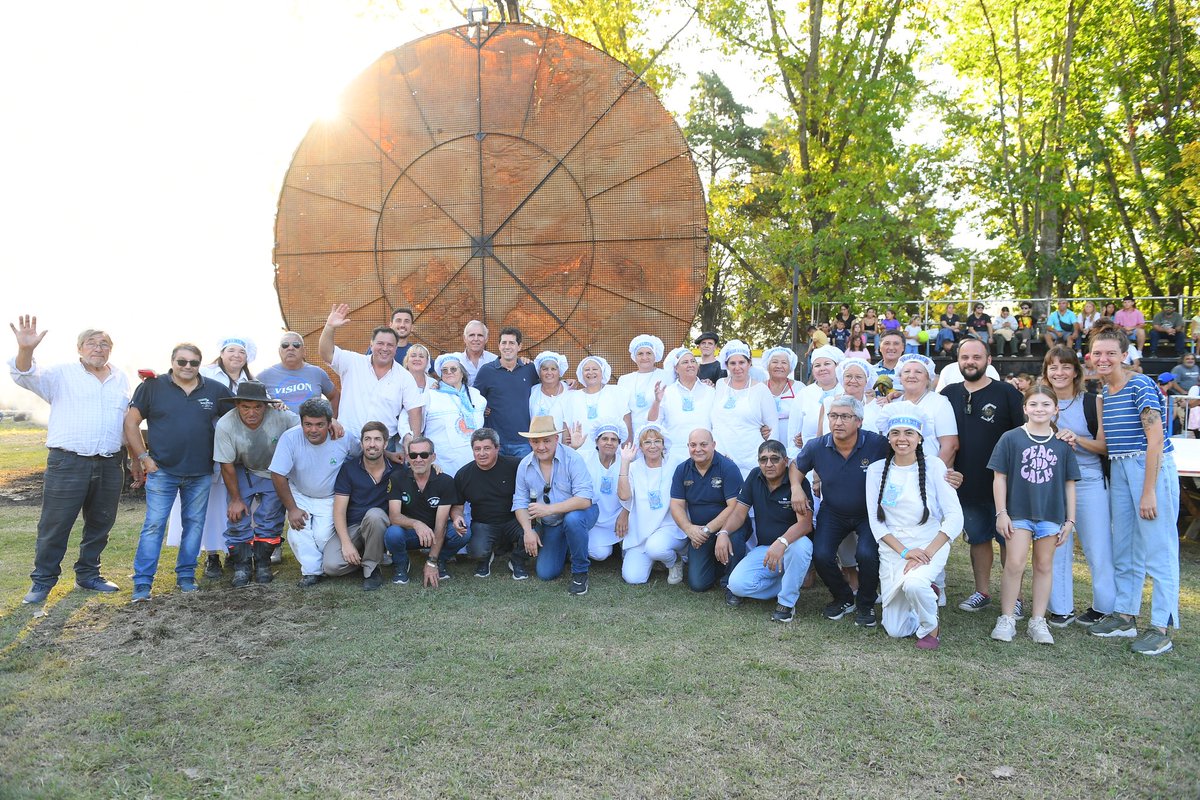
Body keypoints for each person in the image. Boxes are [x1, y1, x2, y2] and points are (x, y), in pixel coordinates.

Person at [9, 317, 129, 604]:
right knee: (56, 524)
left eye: (104, 344)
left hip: (110, 463)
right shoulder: (61, 373)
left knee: (101, 523)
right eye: (92, 343)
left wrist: (135, 458)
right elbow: (23, 374)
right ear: (79, 348)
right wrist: (25, 349)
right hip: (68, 463)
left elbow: (125, 420)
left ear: (110, 350)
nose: (98, 348)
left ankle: (89, 574)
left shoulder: (120, 377)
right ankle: (43, 581)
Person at [1088, 329, 1180, 654]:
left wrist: (1149, 491)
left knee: (1159, 549)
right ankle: (1126, 616)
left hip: (1148, 468)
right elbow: (1106, 444)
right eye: (1098, 353)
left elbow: (1155, 439)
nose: (1103, 359)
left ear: (1124, 354)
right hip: (1121, 468)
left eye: (1110, 353)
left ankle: (1161, 627)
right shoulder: (1106, 391)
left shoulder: (1139, 384)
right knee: (1125, 546)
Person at [125, 343, 233, 601]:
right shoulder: (152, 386)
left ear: (200, 364)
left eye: (193, 363)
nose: (187, 367)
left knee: (194, 526)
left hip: (200, 472)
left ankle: (186, 577)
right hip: (162, 471)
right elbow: (131, 422)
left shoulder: (215, 390)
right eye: (182, 361)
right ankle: (142, 583)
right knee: (154, 525)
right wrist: (143, 458)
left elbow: (239, 418)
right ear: (172, 361)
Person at [866, 403, 964, 650]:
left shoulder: (934, 466)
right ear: (888, 437)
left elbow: (954, 517)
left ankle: (931, 629)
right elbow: (877, 523)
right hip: (895, 550)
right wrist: (904, 553)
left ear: (920, 438)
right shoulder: (876, 470)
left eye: (909, 433)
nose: (902, 439)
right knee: (896, 630)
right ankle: (924, 593)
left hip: (928, 544)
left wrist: (925, 554)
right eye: (896, 433)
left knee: (913, 583)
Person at [988, 386, 1081, 645]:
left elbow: (1070, 483)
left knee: (1043, 565)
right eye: (1034, 404)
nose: (1040, 409)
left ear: (1056, 409)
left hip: (1051, 515)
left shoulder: (1062, 444)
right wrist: (1001, 513)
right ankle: (1007, 617)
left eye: (1046, 404)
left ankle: (1037, 620)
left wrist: (1070, 520)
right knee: (1015, 563)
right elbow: (999, 478)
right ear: (1025, 408)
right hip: (1018, 512)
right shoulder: (1011, 438)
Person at [940, 337, 1025, 614]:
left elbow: (1023, 434)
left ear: (988, 360)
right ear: (958, 361)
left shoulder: (1007, 393)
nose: (970, 362)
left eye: (976, 357)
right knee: (978, 538)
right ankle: (982, 591)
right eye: (965, 357)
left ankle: (1017, 598)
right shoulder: (948, 394)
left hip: (1006, 483)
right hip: (967, 483)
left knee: (1009, 540)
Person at [792, 395, 889, 626]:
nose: (838, 422)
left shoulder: (877, 444)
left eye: (845, 416)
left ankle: (866, 603)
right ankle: (844, 598)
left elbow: (904, 461)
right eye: (833, 416)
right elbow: (797, 465)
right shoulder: (817, 446)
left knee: (866, 554)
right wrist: (796, 487)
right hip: (833, 511)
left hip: (869, 513)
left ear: (859, 421)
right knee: (822, 554)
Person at [1041, 347, 1115, 627]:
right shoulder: (1041, 402)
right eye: (1053, 367)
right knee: (1057, 546)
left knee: (1097, 547)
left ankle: (1103, 607)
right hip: (1052, 484)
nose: (1059, 373)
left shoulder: (1091, 402)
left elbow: (1104, 447)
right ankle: (1060, 608)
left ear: (1075, 371)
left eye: (1065, 367)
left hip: (1089, 481)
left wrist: (1078, 439)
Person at [173, 335, 257, 574]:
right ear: (221, 353)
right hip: (206, 448)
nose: (236, 356)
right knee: (207, 503)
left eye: (241, 352)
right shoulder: (206, 376)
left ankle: (234, 548)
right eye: (231, 351)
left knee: (233, 499)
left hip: (239, 452)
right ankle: (211, 555)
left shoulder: (251, 380)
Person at [212, 381, 298, 588]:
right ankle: (241, 566)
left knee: (270, 516)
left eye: (258, 406)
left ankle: (262, 564)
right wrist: (235, 499)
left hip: (273, 471)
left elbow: (306, 425)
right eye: (245, 407)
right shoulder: (225, 425)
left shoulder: (282, 416)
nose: (252, 412)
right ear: (237, 405)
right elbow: (226, 464)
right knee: (237, 516)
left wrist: (332, 422)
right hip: (241, 469)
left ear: (266, 406)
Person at [268, 398, 361, 587]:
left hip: (331, 497)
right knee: (298, 532)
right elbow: (277, 474)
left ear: (329, 423)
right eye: (308, 424)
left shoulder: (343, 437)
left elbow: (362, 455)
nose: (313, 430)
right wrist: (292, 509)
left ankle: (330, 565)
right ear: (301, 422)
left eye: (320, 424)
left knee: (322, 537)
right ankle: (311, 572)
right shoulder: (290, 437)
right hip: (300, 493)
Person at [724, 439, 815, 621]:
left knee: (802, 545)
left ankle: (786, 603)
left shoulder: (797, 483)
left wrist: (782, 542)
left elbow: (806, 524)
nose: (768, 464)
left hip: (790, 547)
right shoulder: (754, 476)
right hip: (765, 548)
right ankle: (791, 581)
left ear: (785, 461)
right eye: (763, 459)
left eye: (774, 459)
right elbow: (738, 514)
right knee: (736, 586)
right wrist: (723, 532)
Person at [318, 303, 425, 458]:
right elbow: (326, 353)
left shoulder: (404, 376)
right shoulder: (353, 362)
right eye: (380, 343)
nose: (385, 348)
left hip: (382, 448)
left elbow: (415, 410)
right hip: (346, 441)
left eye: (390, 345)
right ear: (371, 344)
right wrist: (329, 326)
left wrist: (415, 441)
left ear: (396, 349)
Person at [513, 416, 598, 594]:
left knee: (573, 520)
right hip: (552, 521)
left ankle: (580, 573)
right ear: (530, 442)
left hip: (581, 512)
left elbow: (584, 499)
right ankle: (568, 546)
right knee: (545, 573)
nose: (541, 446)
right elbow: (520, 502)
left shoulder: (573, 458)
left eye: (546, 441)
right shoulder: (524, 465)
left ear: (556, 439)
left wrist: (547, 509)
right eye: (536, 441)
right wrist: (528, 531)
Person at [669, 428, 747, 600]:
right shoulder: (682, 470)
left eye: (703, 444)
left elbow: (734, 507)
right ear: (688, 446)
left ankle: (732, 586)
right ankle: (720, 565)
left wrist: (709, 530)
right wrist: (689, 529)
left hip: (729, 526)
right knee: (698, 584)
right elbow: (676, 505)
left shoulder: (728, 468)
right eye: (693, 445)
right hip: (699, 532)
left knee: (732, 537)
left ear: (713, 445)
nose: (698, 449)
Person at [450, 428, 529, 580]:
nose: (482, 453)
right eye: (477, 449)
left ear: (497, 448)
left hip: (514, 521)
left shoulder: (515, 466)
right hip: (483, 523)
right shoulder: (463, 475)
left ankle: (517, 560)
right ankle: (485, 557)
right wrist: (456, 517)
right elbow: (458, 507)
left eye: (487, 448)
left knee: (536, 532)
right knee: (476, 551)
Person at [384, 435, 464, 584]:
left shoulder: (445, 481)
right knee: (392, 533)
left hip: (435, 533)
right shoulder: (397, 478)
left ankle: (439, 560)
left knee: (463, 534)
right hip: (409, 533)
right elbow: (394, 516)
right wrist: (416, 524)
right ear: (408, 457)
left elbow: (441, 525)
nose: (418, 459)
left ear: (433, 457)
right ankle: (401, 564)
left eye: (424, 455)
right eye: (413, 455)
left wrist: (431, 561)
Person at [327, 421, 395, 590]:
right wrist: (346, 544)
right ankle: (367, 557)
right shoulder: (349, 469)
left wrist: (434, 467)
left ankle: (371, 570)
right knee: (331, 566)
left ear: (385, 444)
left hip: (381, 524)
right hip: (354, 526)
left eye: (377, 439)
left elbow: (421, 473)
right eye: (367, 439)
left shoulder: (397, 469)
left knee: (375, 515)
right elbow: (339, 511)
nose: (372, 444)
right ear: (362, 443)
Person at [616, 424, 687, 584]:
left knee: (656, 548)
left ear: (663, 443)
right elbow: (624, 495)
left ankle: (674, 561)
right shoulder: (633, 467)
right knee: (633, 578)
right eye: (647, 442)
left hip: (669, 527)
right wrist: (625, 462)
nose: (653, 446)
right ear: (640, 446)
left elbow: (699, 462)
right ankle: (656, 559)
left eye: (657, 441)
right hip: (641, 532)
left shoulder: (676, 462)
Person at [712, 340, 777, 477]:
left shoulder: (761, 390)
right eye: (732, 363)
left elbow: (773, 428)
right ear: (727, 365)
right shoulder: (719, 385)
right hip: (721, 457)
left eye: (741, 362)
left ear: (749, 363)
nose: (737, 367)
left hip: (751, 459)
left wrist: (769, 460)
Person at [473, 326, 541, 458]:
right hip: (495, 442)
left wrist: (565, 383)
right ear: (498, 346)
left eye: (512, 343)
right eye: (504, 343)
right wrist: (483, 408)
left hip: (523, 441)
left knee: (522, 478)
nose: (507, 346)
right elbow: (473, 399)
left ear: (519, 346)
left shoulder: (529, 369)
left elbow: (547, 385)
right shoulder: (486, 371)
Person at [648, 346, 716, 468]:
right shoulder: (666, 392)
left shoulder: (710, 391)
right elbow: (652, 423)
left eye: (693, 361)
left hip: (705, 456)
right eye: (685, 362)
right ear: (676, 368)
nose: (690, 365)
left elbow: (717, 424)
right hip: (675, 457)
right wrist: (657, 402)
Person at [422, 353, 486, 478]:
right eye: (444, 370)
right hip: (443, 464)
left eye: (453, 369)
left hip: (473, 462)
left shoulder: (476, 396)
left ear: (462, 372)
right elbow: (412, 423)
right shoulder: (430, 396)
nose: (449, 372)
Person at [257, 331, 339, 414]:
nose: (290, 348)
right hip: (280, 426)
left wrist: (332, 420)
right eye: (285, 345)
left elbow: (335, 397)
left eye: (296, 345)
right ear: (279, 351)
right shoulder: (264, 377)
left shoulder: (317, 373)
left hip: (312, 427)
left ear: (304, 351)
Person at [580, 422, 627, 563]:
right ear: (596, 441)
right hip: (595, 520)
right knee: (599, 554)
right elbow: (563, 463)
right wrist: (573, 447)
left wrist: (626, 512)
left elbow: (634, 494)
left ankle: (624, 546)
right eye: (605, 439)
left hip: (620, 517)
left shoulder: (625, 461)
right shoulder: (584, 458)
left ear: (619, 443)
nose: (609, 443)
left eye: (613, 439)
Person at [787, 344, 843, 460]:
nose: (822, 368)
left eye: (827, 364)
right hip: (810, 461)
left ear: (837, 366)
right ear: (812, 370)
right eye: (817, 365)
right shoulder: (804, 394)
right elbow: (793, 433)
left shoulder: (846, 392)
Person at [565, 355, 631, 447]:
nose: (591, 372)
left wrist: (627, 455)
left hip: (611, 453)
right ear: (581, 373)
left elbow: (626, 426)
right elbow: (566, 428)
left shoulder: (617, 393)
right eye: (587, 369)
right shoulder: (572, 397)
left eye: (595, 369)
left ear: (602, 371)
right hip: (581, 452)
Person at [617, 335, 667, 432]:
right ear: (634, 357)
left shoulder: (667, 376)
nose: (645, 357)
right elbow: (623, 413)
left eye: (649, 353)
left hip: (659, 434)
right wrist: (628, 438)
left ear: (655, 355)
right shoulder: (624, 380)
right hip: (633, 435)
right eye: (640, 353)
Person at [528, 351, 571, 439]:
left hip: (563, 446)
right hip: (538, 445)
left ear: (559, 372)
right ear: (539, 372)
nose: (549, 372)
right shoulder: (532, 391)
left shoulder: (570, 391)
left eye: (553, 369)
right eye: (545, 369)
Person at [762, 346, 799, 446]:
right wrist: (760, 428)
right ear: (767, 365)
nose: (779, 366)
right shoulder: (760, 388)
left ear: (790, 367)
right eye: (774, 362)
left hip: (793, 442)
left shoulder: (800, 388)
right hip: (766, 443)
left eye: (784, 362)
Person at [457, 320, 498, 385]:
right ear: (464, 338)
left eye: (480, 335)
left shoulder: (495, 361)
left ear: (486, 339)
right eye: (471, 335)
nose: (476, 339)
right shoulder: (456, 362)